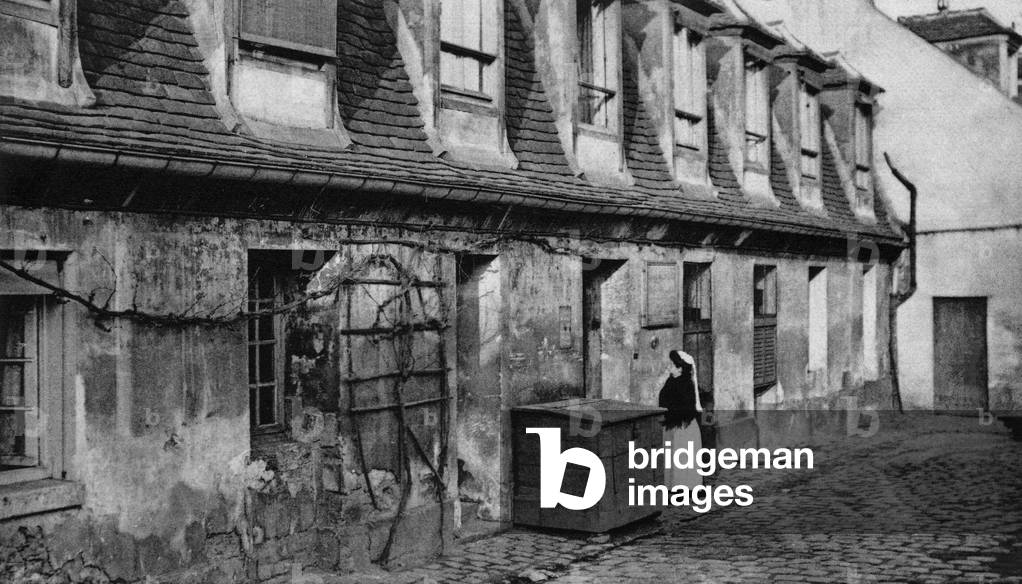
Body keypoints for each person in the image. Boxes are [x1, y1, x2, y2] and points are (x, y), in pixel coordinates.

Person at [657, 349, 703, 488]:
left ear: (680, 368)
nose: (669, 368)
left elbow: (685, 408)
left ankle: (686, 486)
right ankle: (672, 485)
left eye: (672, 365)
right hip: (672, 424)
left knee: (682, 456)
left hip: (683, 426)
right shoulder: (671, 381)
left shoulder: (686, 384)